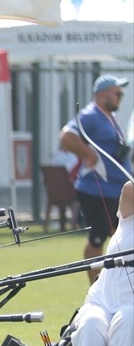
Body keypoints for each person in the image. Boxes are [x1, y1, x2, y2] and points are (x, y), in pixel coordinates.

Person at [45, 180, 133, 346]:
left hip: (132, 305)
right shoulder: (129, 204)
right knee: (91, 321)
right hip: (103, 297)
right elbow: (129, 188)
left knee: (127, 320)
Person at [59, 75, 131, 282]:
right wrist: (88, 154)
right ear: (103, 94)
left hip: (116, 190)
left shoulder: (109, 117)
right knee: (98, 236)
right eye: (118, 93)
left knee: (122, 237)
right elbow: (66, 136)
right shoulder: (90, 114)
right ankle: (95, 287)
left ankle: (117, 284)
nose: (121, 97)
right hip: (97, 189)